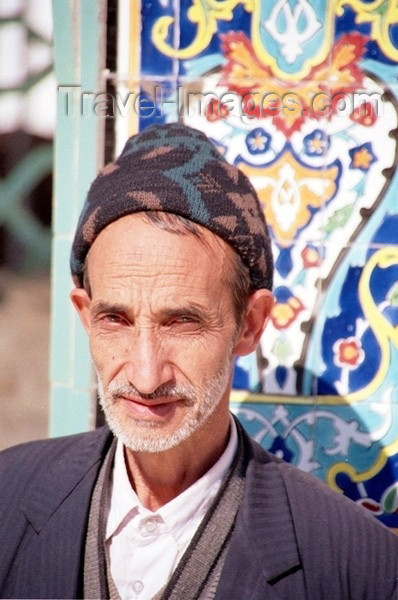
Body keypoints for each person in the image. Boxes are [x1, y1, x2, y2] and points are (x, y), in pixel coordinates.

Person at [0, 123, 397, 600]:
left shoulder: (356, 567)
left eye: (183, 323)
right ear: (85, 316)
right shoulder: (8, 498)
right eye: (116, 320)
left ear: (249, 324)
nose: (146, 376)